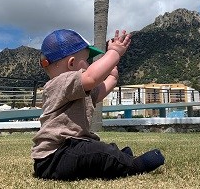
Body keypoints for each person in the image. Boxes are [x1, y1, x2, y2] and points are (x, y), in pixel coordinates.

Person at [31, 29, 165, 180]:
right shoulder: (60, 83)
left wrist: (112, 76)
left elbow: (99, 92)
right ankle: (132, 166)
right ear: (72, 63)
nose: (89, 64)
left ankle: (117, 157)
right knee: (97, 152)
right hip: (55, 157)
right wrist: (114, 52)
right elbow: (91, 77)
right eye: (87, 60)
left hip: (67, 153)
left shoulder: (75, 89)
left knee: (95, 149)